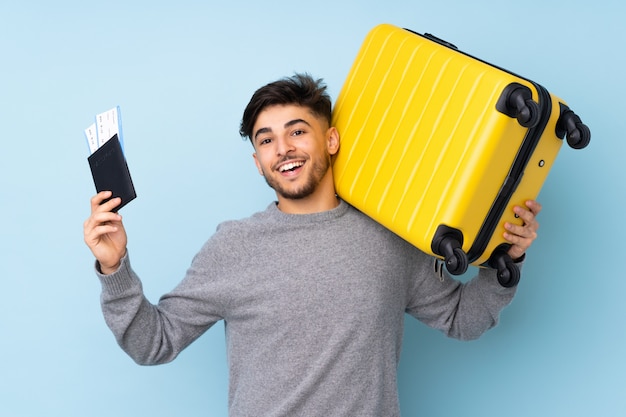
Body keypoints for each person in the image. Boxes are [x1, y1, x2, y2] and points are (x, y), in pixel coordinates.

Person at [84, 73, 541, 416]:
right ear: (258, 160)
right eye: (267, 140)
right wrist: (114, 268)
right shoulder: (233, 247)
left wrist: (506, 260)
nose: (283, 148)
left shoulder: (390, 237)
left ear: (331, 139)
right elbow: (153, 343)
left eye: (297, 131)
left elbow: (463, 319)